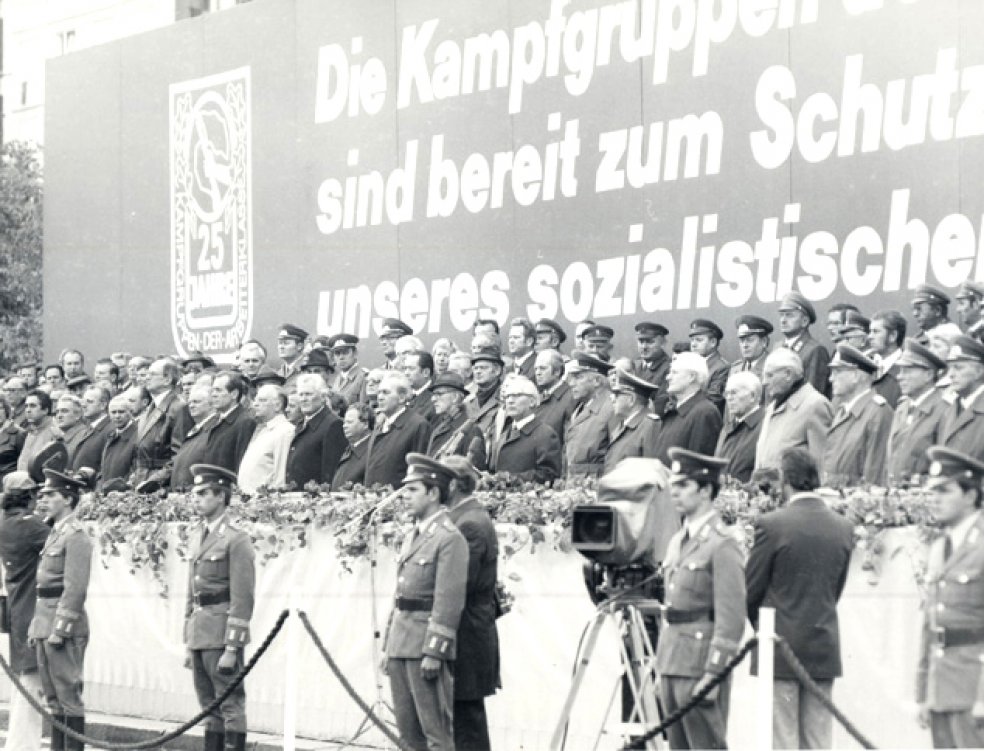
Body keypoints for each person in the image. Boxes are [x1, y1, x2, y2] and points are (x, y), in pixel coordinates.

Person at [746, 448, 854, 749]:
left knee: (782, 740)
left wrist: (762, 628)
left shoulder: (772, 524)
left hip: (779, 646)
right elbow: (836, 589)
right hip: (822, 643)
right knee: (818, 741)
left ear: (785, 481)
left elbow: (751, 589)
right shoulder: (843, 527)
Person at [656, 448, 745, 751]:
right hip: (673, 661)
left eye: (683, 486)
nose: (675, 494)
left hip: (699, 664)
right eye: (673, 486)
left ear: (706, 490)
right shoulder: (679, 540)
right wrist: (661, 667)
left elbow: (730, 619)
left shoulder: (722, 545)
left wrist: (713, 673)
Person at [383, 454, 468, 751]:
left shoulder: (449, 539)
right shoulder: (413, 536)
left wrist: (435, 651)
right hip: (401, 644)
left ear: (433, 493)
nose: (404, 496)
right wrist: (388, 647)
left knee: (436, 735)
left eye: (412, 490)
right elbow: (400, 594)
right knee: (408, 736)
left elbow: (449, 601)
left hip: (423, 647)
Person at [184, 464, 256, 751]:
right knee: (208, 706)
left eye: (203, 493)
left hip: (221, 630)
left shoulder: (236, 539)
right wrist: (187, 640)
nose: (196, 498)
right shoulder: (197, 535)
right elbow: (191, 592)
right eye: (195, 493)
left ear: (221, 496)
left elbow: (243, 596)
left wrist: (231, 646)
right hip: (201, 630)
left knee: (230, 703)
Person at [916, 446, 984, 748]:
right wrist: (922, 693)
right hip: (941, 687)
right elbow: (929, 628)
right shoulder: (940, 547)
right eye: (933, 491)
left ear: (970, 496)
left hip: (973, 687)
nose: (935, 499)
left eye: (945, 491)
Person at [28, 468, 93, 749]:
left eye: (50, 495)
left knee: (68, 694)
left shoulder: (76, 535)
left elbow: (75, 587)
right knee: (52, 697)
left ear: (67, 499)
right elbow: (42, 586)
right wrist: (36, 626)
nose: (43, 500)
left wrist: (61, 628)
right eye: (42, 495)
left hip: (62, 625)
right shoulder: (55, 532)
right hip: (45, 620)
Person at [443, 456, 500, 751]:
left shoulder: (470, 524)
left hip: (466, 636)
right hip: (463, 633)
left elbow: (457, 585)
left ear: (452, 484)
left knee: (467, 727)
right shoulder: (463, 519)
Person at [0, 472, 50, 751]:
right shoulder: (31, 526)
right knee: (31, 685)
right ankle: (22, 746)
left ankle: (21, 744)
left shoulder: (7, 523)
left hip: (18, 606)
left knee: (26, 682)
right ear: (29, 498)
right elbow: (57, 540)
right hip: (32, 607)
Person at [821, 344, 894, 486]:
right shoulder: (842, 409)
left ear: (855, 375)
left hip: (857, 503)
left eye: (837, 372)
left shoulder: (878, 413)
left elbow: (875, 476)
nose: (830, 378)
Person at [755, 349, 833, 472]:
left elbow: (823, 465)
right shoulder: (772, 407)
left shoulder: (815, 405)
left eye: (770, 375)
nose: (764, 382)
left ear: (788, 374)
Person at [887, 340, 948, 483]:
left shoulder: (944, 409)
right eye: (900, 371)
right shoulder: (902, 407)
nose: (899, 376)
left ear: (928, 375)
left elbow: (944, 468)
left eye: (906, 371)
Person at [650, 352, 722, 465]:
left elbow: (697, 466)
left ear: (691, 377)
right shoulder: (675, 412)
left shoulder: (705, 413)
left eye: (674, 372)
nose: (668, 377)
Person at [487, 375, 561, 483]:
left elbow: (548, 474)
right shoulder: (505, 433)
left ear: (532, 401)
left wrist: (511, 479)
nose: (510, 401)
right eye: (507, 397)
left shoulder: (545, 434)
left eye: (517, 395)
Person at [364, 373, 432, 488]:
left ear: (401, 397)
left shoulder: (418, 425)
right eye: (379, 392)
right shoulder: (380, 424)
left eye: (385, 392)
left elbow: (419, 472)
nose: (379, 397)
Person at [285, 374, 346, 488]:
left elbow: (330, 473)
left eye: (308, 394)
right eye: (301, 394)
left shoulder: (333, 424)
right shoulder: (301, 424)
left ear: (323, 397)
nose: (303, 399)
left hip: (314, 499)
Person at [564, 351, 615, 477]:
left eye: (578, 377)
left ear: (597, 381)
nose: (571, 384)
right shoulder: (580, 408)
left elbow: (615, 457)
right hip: (576, 485)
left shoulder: (611, 408)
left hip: (596, 486)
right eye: (572, 378)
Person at [238, 385, 295, 494]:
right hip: (249, 499)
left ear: (278, 405)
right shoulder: (263, 429)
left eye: (262, 400)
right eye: (255, 400)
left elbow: (281, 474)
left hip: (265, 501)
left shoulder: (285, 431)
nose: (255, 404)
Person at [603, 369, 659, 475]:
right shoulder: (623, 424)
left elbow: (652, 474)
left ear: (631, 399)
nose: (612, 399)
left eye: (617, 395)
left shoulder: (650, 425)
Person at [939, 335, 984, 462]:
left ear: (979, 371)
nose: (951, 374)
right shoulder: (949, 410)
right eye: (950, 367)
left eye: (958, 368)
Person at [426, 373, 485, 469]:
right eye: (433, 394)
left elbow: (473, 474)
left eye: (439, 394)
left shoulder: (470, 429)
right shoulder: (440, 424)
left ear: (455, 397)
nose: (433, 399)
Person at [778, 291, 831, 395]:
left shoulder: (815, 351)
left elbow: (813, 396)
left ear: (805, 321)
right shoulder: (778, 348)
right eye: (781, 315)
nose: (783, 320)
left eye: (789, 315)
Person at [715, 372, 765, 483]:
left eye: (734, 393)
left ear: (752, 396)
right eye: (727, 393)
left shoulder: (766, 425)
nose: (729, 398)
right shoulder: (727, 428)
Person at [203, 373, 256, 473]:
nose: (213, 394)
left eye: (218, 390)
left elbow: (241, 462)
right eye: (212, 390)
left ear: (234, 394)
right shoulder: (215, 420)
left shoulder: (245, 422)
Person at [171, 384, 219, 491]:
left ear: (212, 405)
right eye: (190, 403)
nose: (191, 406)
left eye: (197, 402)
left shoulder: (215, 429)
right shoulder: (195, 429)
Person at [532, 349, 575, 445]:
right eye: (536, 369)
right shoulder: (539, 396)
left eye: (542, 368)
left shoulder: (570, 398)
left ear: (557, 371)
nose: (538, 373)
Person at [689, 319, 729, 413]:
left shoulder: (721, 368)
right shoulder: (690, 366)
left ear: (713, 342)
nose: (693, 344)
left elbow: (713, 400)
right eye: (692, 340)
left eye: (699, 340)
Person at [331, 404, 375, 490]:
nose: (344, 426)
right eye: (344, 422)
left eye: (349, 422)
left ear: (365, 424)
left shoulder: (372, 451)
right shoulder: (349, 449)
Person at [99, 395, 138, 490]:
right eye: (113, 412)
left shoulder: (137, 436)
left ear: (130, 413)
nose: (117, 416)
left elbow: (136, 471)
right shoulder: (111, 436)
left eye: (121, 412)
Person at [17, 390, 61, 474]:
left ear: (45, 410)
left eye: (32, 406)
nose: (28, 410)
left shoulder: (55, 431)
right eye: (26, 406)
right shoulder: (32, 430)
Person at [869, 310, 906, 408]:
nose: (870, 337)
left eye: (876, 332)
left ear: (893, 336)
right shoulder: (868, 369)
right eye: (870, 331)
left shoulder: (905, 370)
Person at [71, 386, 112, 474]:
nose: (84, 405)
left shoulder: (109, 429)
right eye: (83, 402)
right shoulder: (90, 427)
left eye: (89, 402)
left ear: (103, 405)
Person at [329, 334, 368, 406]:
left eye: (345, 352)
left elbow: (363, 409)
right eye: (337, 353)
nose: (341, 357)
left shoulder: (363, 377)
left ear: (355, 353)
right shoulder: (336, 379)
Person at [730, 316, 772, 381]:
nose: (745, 345)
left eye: (750, 340)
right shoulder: (735, 368)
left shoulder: (772, 368)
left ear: (764, 341)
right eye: (742, 340)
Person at [403, 350, 438, 424]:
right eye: (405, 368)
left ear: (426, 372)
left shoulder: (434, 400)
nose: (406, 373)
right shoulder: (403, 396)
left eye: (411, 369)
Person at [0, 397, 26, 478]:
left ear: (6, 410)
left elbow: (24, 463)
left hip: (8, 483)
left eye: (0, 408)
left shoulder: (18, 433)